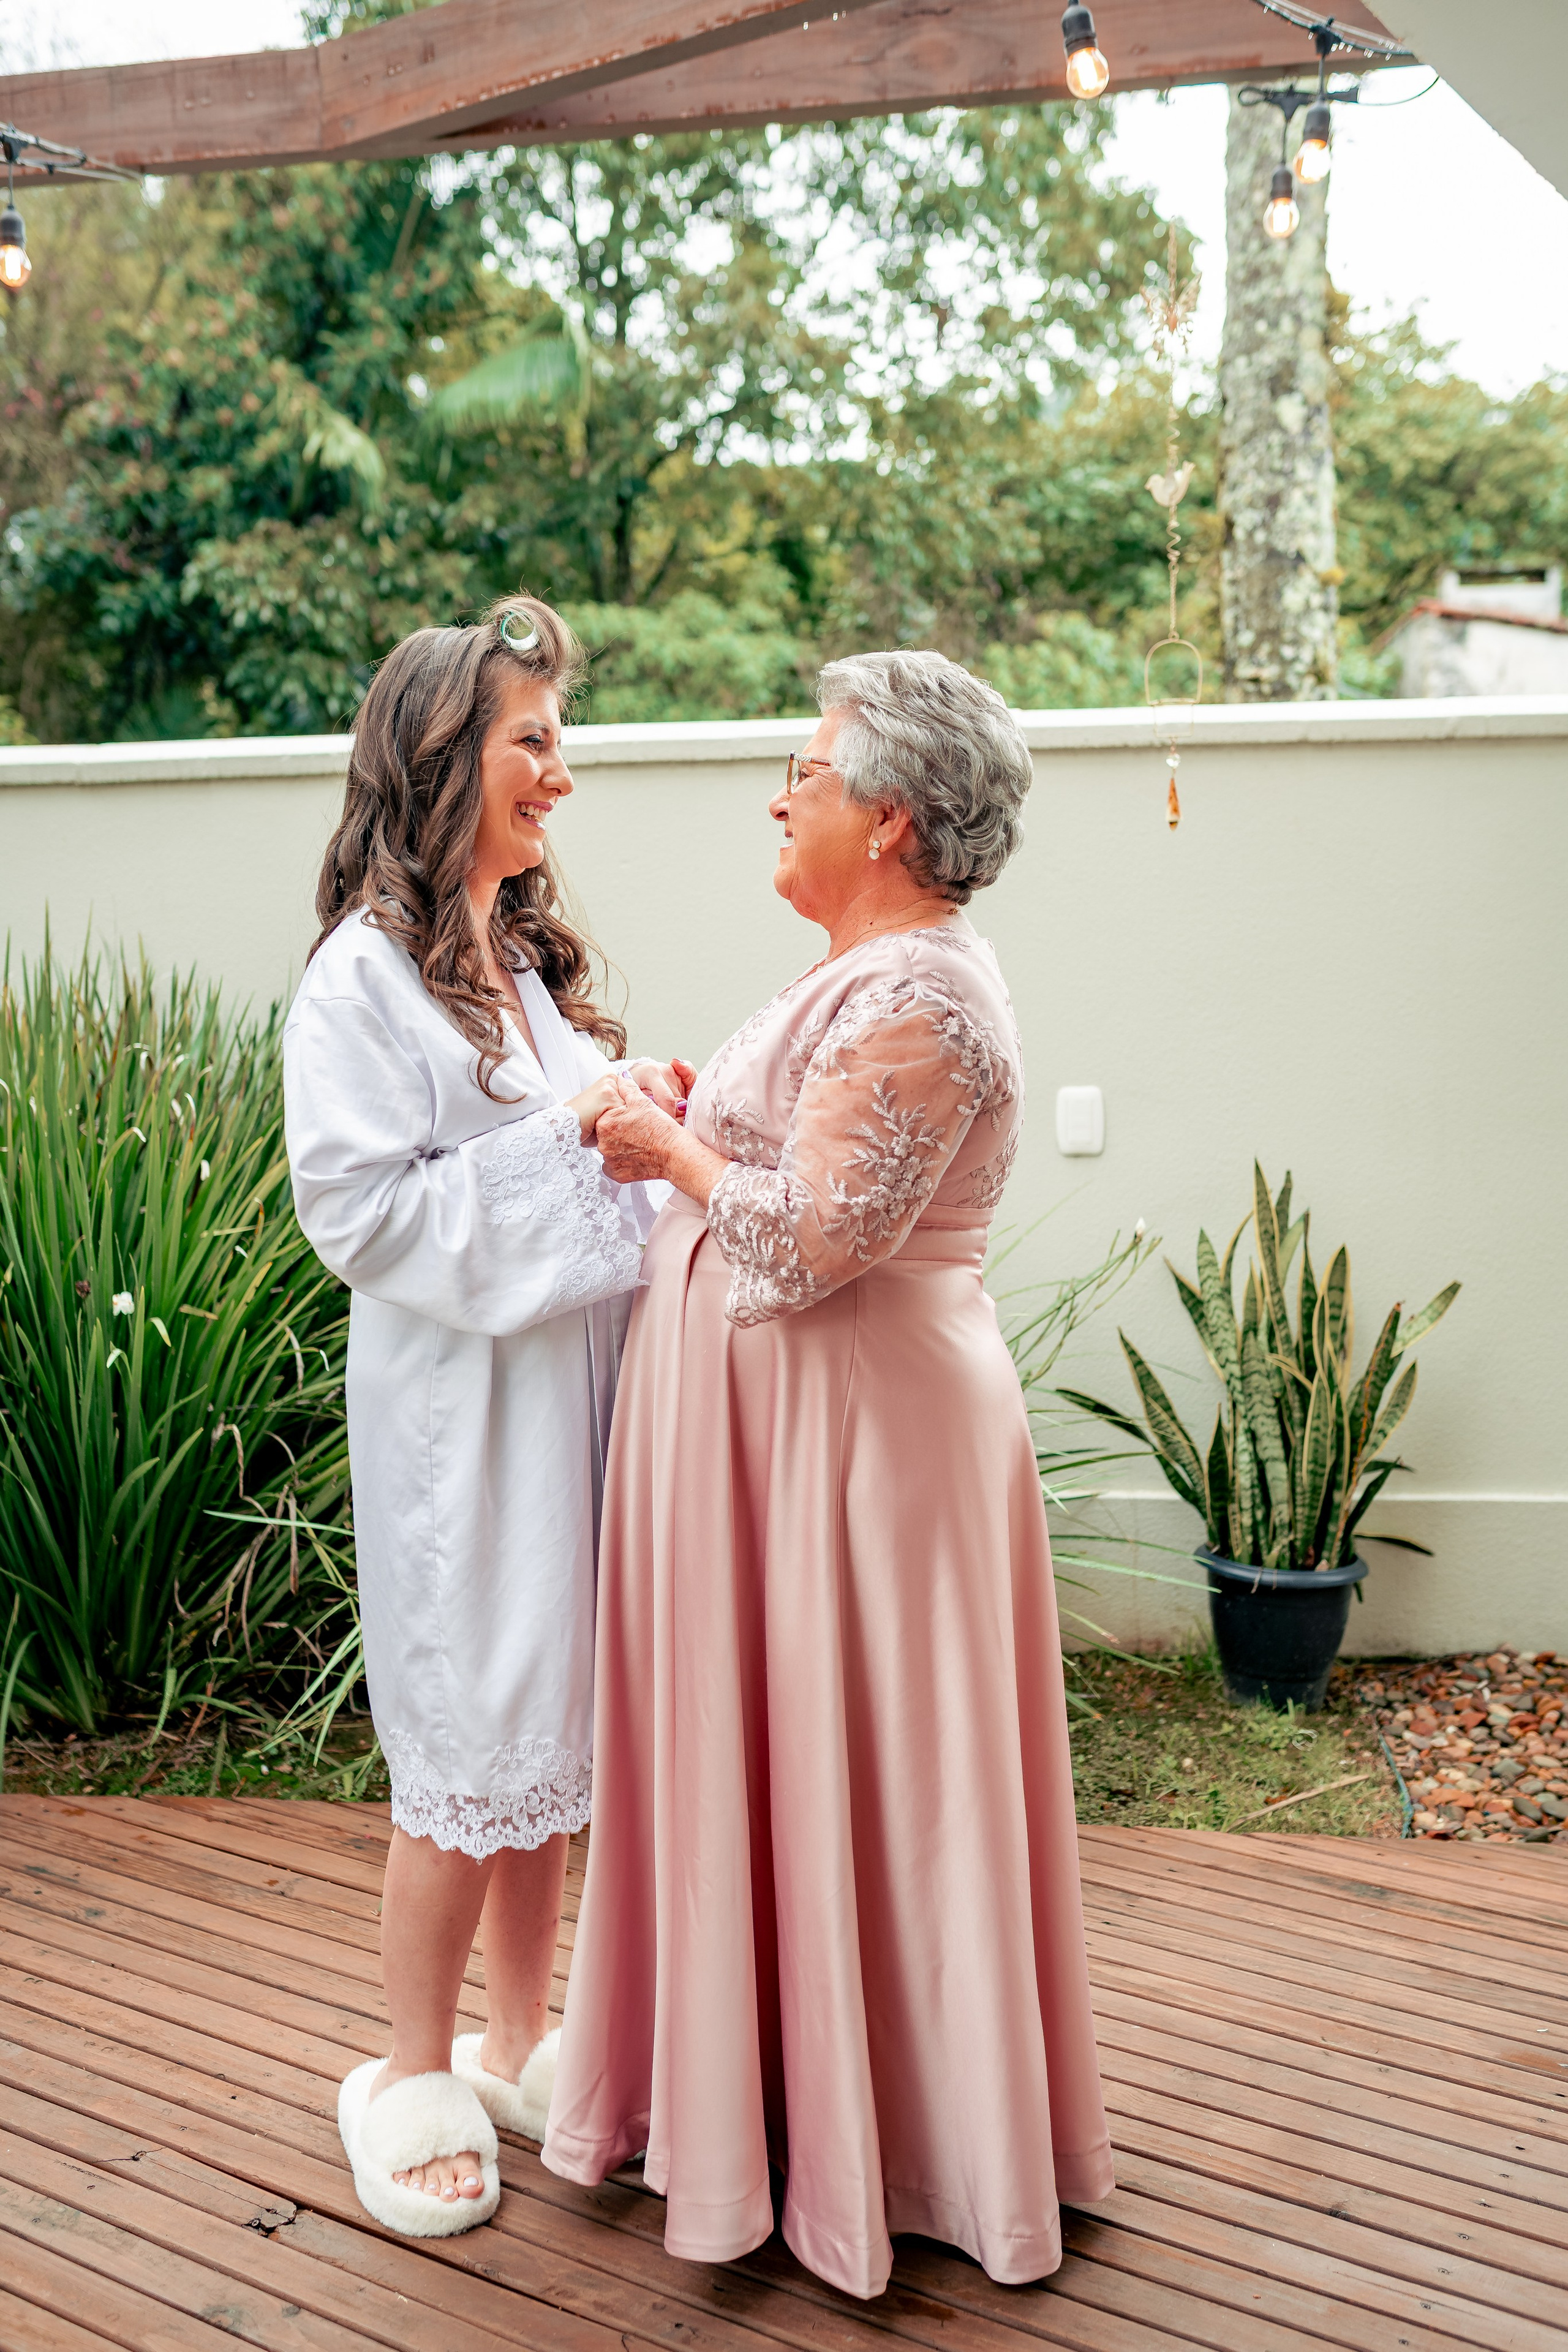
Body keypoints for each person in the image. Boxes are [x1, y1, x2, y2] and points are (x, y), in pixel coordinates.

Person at [543, 649, 1114, 2299]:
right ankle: (773, 2109)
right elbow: (786, 1154)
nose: (778, 793)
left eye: (807, 768)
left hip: (857, 1463)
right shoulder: (869, 976)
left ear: (892, 816)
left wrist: (670, 1151)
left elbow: (806, 1238)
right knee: (793, 1764)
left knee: (878, 1779)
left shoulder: (927, 993)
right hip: (785, 1452)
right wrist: (684, 1106)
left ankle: (890, 2149)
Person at [284, 595, 692, 2240]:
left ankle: (517, 2042)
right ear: (444, 757)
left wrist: (623, 1104)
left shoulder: (508, 964)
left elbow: (547, 1152)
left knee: (553, 1747)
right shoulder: (358, 987)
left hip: (564, 1409)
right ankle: (404, 2067)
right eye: (537, 742)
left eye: (560, 743)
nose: (561, 779)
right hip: (462, 1438)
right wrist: (573, 1143)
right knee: (464, 1747)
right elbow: (367, 1218)